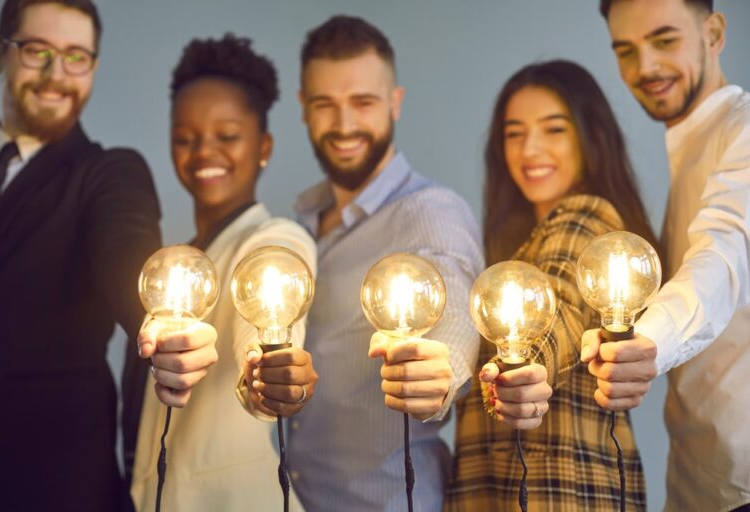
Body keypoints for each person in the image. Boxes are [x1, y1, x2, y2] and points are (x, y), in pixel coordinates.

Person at [0, 1, 217, 510]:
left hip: (51, 488)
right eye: (37, 51)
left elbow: (126, 253)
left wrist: (157, 320)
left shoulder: (110, 173)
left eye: (75, 56)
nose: (55, 75)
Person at [286, 15, 484, 511]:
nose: (345, 124)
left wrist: (444, 369)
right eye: (325, 105)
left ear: (395, 103)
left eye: (363, 103)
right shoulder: (303, 222)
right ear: (303, 108)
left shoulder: (431, 211)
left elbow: (456, 297)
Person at [447, 60, 659, 511]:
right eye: (514, 132)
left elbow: (559, 308)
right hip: (506, 487)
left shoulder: (586, 217)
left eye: (554, 129)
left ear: (589, 137)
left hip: (562, 492)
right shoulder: (516, 249)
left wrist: (530, 367)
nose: (531, 149)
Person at [131, 34, 318, 511]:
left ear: (264, 145)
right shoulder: (182, 266)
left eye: (227, 135)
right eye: (185, 138)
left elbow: (263, 337)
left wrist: (269, 377)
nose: (204, 152)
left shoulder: (274, 239)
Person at [584, 1, 750, 509]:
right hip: (696, 485)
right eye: (626, 51)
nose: (646, 68)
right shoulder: (691, 146)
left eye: (664, 40)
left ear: (714, 33)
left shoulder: (743, 132)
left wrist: (647, 341)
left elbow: (725, 252)